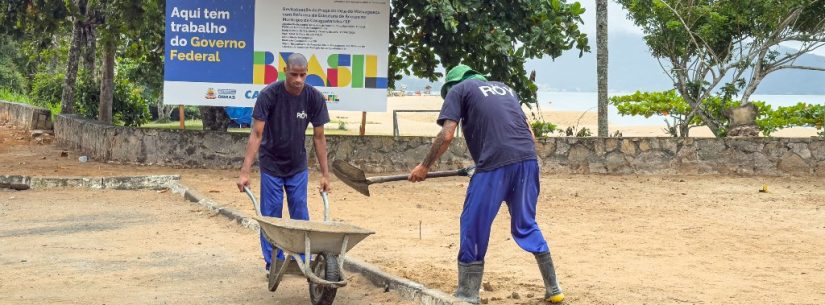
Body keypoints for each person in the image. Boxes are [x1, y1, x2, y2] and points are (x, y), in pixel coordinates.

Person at [408, 65, 564, 304]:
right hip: (528, 161)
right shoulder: (505, 88)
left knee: (474, 223)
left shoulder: (458, 90)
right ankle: (554, 288)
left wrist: (424, 166)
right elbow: (530, 135)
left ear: (451, 85)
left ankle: (468, 293)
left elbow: (447, 134)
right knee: (526, 222)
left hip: (494, 165)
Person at [237, 53, 331, 271]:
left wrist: (325, 175)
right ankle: (273, 263)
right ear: (285, 72)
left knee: (300, 213)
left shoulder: (313, 98)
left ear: (307, 74)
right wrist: (245, 172)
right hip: (271, 165)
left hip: (297, 165)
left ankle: (302, 261)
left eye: (303, 75)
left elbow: (319, 137)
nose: (298, 80)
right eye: (294, 74)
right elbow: (256, 134)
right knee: (271, 215)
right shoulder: (269, 95)